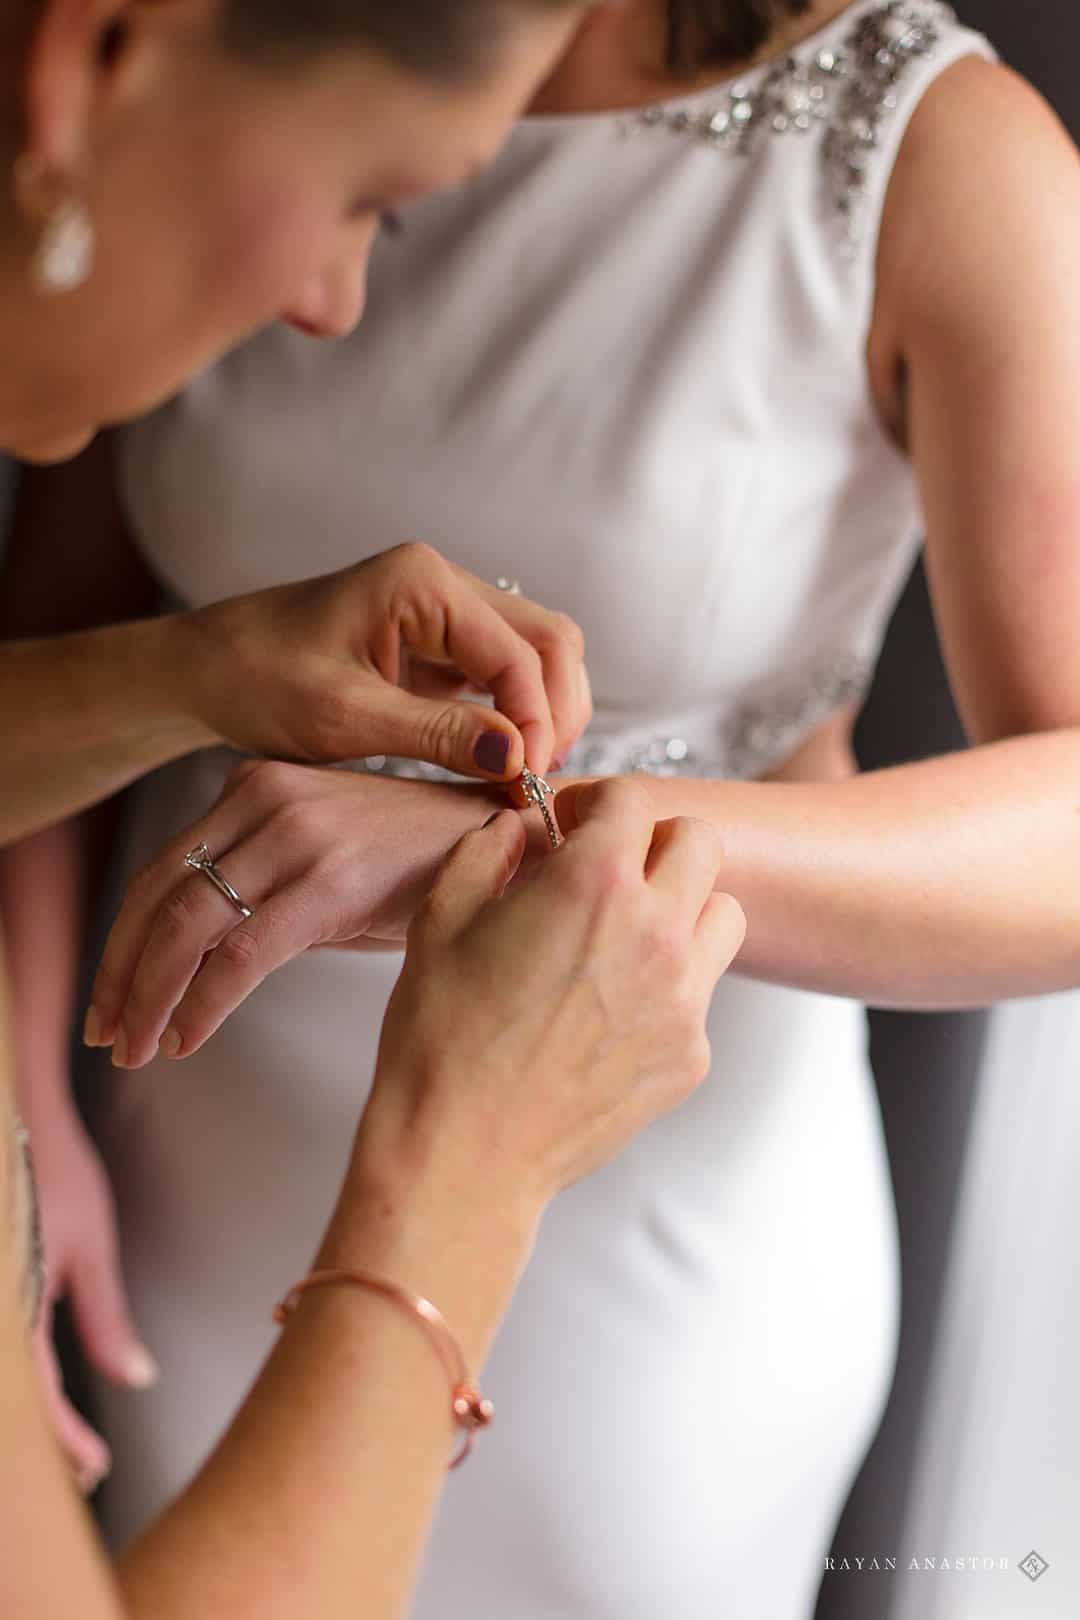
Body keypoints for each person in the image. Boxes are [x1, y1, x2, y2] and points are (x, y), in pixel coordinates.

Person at [11, 0, 1080, 1614]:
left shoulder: (937, 147)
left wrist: (530, 850)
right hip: (182, 1170)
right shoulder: (242, 67)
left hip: (639, 1269)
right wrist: (31, 1117)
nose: (334, 299)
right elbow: (69, 636)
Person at [0, 0, 751, 1614]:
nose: (335, 304)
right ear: (98, 57)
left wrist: (190, 675)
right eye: (368, 197)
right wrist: (469, 1164)